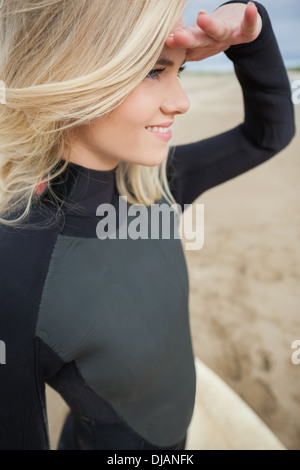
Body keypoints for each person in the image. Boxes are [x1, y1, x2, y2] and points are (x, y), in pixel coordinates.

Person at [0, 0, 294, 450]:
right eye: (154, 70)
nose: (181, 101)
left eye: (180, 70)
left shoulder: (156, 186)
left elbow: (268, 135)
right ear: (73, 73)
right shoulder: (15, 269)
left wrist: (250, 38)